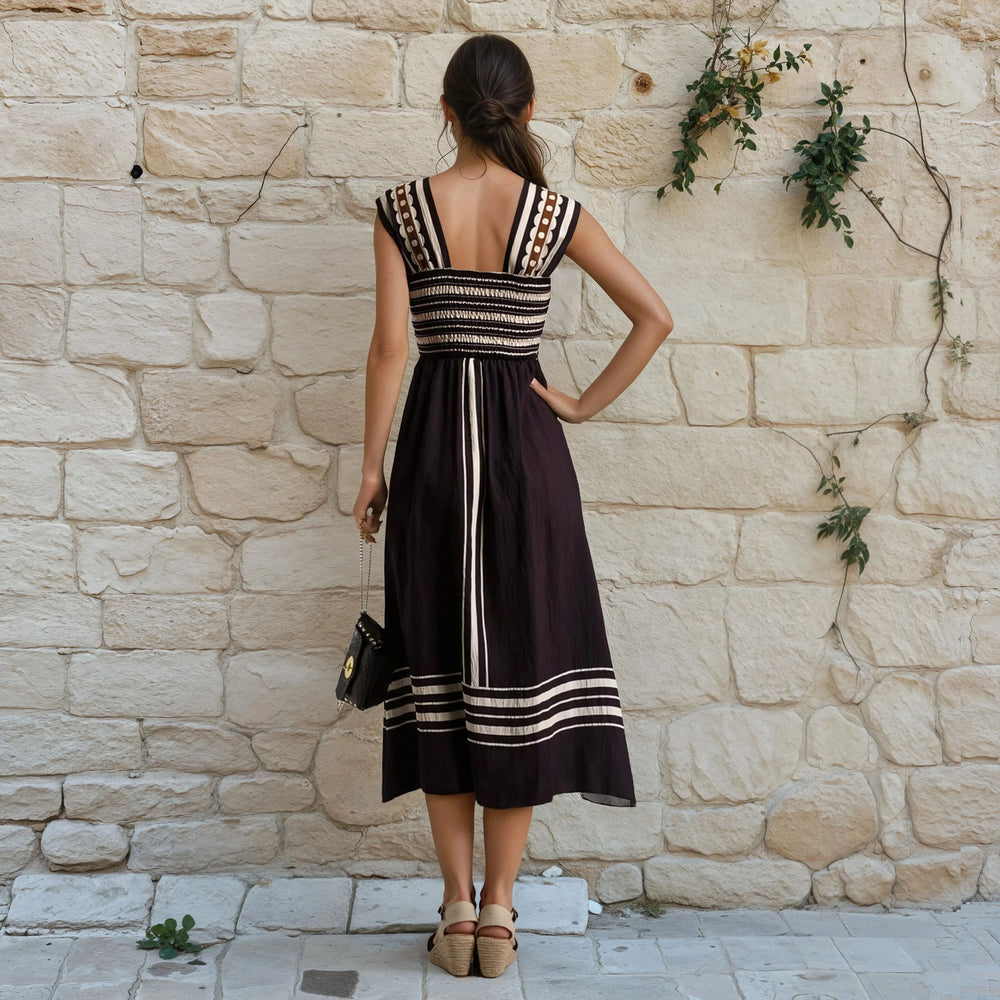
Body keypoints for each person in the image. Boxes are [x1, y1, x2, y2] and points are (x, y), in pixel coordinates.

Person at [352, 33, 673, 979]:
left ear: (446, 111)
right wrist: (575, 403)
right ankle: (500, 916)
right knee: (520, 679)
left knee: (441, 676)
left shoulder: (402, 210)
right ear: (526, 113)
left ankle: (452, 910)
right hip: (529, 463)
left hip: (434, 464)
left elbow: (387, 351)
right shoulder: (552, 212)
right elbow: (654, 315)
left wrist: (371, 469)